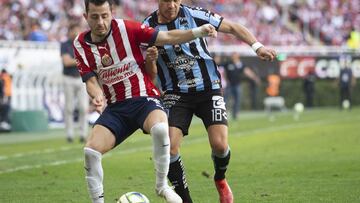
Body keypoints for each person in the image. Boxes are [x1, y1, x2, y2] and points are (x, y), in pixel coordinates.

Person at [73, 0, 217, 203]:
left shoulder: (127, 28)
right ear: (85, 16)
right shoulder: (80, 44)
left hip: (144, 99)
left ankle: (161, 186)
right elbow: (90, 80)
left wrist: (198, 31)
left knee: (160, 129)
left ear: (111, 13)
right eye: (95, 17)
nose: (101, 22)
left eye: (105, 16)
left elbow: (166, 37)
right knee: (90, 151)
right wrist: (96, 94)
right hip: (116, 108)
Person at [143, 1, 276, 203]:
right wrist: (150, 60)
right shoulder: (147, 27)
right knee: (168, 147)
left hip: (209, 88)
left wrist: (257, 47)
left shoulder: (194, 14)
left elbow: (232, 27)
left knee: (220, 146)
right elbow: (150, 75)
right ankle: (185, 200)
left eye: (175, 0)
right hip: (175, 93)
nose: (171, 5)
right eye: (165, 1)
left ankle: (220, 179)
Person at [61, 24, 89, 143]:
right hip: (68, 78)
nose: (76, 32)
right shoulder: (65, 44)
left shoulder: (82, 44)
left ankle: (83, 134)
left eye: (78, 30)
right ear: (70, 31)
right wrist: (80, 60)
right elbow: (66, 62)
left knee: (84, 107)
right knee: (69, 108)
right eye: (74, 30)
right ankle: (70, 134)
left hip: (81, 78)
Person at [224, 53, 261, 119]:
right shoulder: (228, 63)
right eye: (233, 55)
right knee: (225, 100)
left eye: (235, 55)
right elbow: (223, 72)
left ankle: (235, 115)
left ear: (238, 56)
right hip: (229, 85)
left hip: (237, 84)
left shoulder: (240, 64)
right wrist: (225, 80)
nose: (233, 56)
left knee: (237, 100)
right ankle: (223, 114)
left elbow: (247, 71)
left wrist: (255, 78)